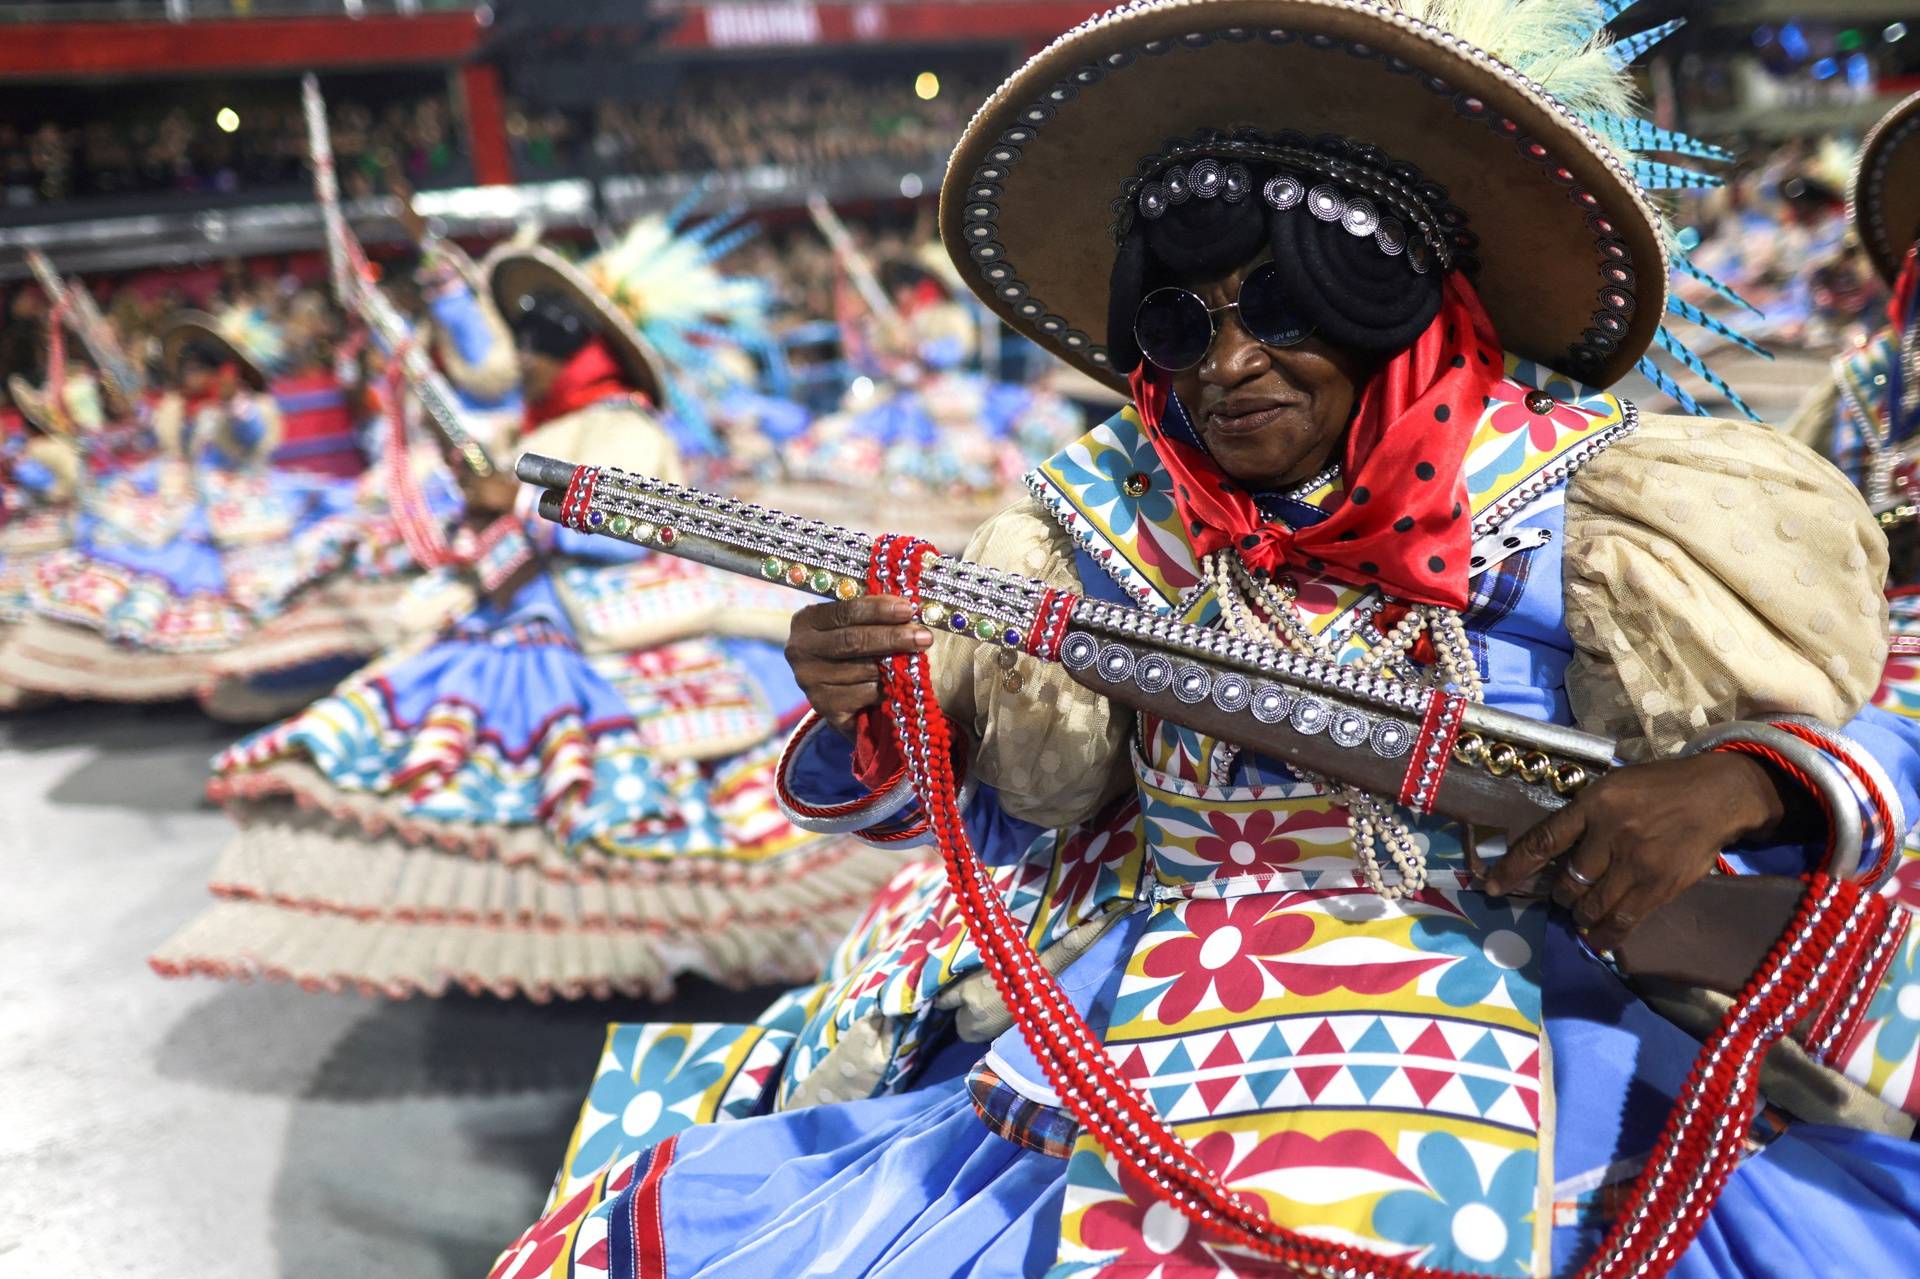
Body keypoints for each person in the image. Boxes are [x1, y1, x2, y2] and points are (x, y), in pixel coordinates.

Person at [495, 4, 1920, 1277]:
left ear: (1402, 304)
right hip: (1154, 1042)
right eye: (1186, 321)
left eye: (1288, 309)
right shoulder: (1095, 522)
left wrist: (1744, 785)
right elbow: (995, 807)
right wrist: (875, 701)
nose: (1227, 365)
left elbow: (1882, 718)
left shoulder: (1607, 503)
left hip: (1545, 1053)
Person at [151, 219, 900, 1001]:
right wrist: (485, 492)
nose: (526, 367)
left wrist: (511, 498)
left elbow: (626, 528)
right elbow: (490, 434)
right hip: (526, 599)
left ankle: (636, 935)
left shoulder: (624, 423)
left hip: (606, 610)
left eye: (539, 353)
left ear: (575, 353)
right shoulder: (552, 424)